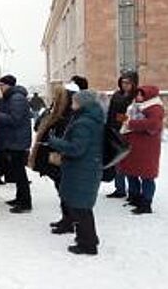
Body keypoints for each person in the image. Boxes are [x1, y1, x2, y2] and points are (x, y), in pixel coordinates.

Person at [48, 90, 104, 255]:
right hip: (84, 168)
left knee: (81, 208)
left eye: (74, 101)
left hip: (82, 169)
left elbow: (76, 149)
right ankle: (87, 239)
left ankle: (88, 244)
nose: (72, 104)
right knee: (81, 207)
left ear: (82, 103)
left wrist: (55, 142)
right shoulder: (88, 119)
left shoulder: (84, 123)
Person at [29, 83, 80, 233]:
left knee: (66, 191)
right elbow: (40, 126)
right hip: (56, 159)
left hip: (62, 160)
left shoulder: (69, 116)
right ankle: (67, 219)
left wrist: (52, 141)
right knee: (62, 190)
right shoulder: (60, 112)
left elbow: (65, 139)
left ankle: (70, 221)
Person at [118, 86, 165, 214]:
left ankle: (146, 203)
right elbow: (125, 120)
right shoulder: (134, 106)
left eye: (141, 94)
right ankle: (135, 198)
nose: (138, 97)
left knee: (147, 176)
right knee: (131, 172)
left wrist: (131, 123)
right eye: (137, 94)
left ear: (148, 95)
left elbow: (154, 124)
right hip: (133, 147)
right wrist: (118, 118)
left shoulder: (155, 107)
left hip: (147, 149)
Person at [0, 75, 33, 213]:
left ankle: (25, 203)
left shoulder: (16, 98)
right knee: (17, 172)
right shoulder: (13, 97)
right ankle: (20, 198)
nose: (0, 88)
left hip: (18, 141)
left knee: (20, 173)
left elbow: (14, 120)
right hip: (15, 140)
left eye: (2, 85)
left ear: (8, 85)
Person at [105, 71, 139, 198]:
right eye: (123, 82)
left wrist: (119, 118)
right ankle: (119, 189)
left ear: (134, 83)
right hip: (114, 131)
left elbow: (134, 116)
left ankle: (133, 191)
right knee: (117, 161)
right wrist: (109, 125)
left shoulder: (136, 96)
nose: (125, 85)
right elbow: (110, 112)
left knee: (129, 162)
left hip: (128, 132)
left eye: (128, 82)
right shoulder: (117, 95)